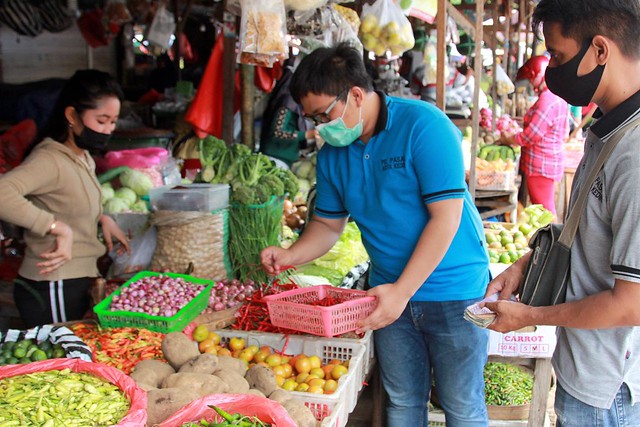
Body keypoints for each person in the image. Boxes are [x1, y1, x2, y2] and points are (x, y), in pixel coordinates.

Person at [261, 43, 491, 427]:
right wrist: (290, 255)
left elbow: (445, 218)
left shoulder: (424, 126)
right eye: (313, 118)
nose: (320, 127)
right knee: (401, 402)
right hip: (385, 295)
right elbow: (327, 225)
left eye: (323, 114)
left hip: (454, 290)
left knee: (462, 405)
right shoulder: (334, 152)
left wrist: (403, 292)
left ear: (354, 94)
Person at [484, 1, 640, 426]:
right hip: (583, 368)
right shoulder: (606, 128)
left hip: (608, 389)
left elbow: (632, 303)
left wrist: (531, 318)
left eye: (559, 55)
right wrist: (526, 263)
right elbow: (585, 230)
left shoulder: (634, 154)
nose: (552, 68)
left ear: (600, 51)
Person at [0, 69, 130, 328]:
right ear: (72, 116)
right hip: (54, 285)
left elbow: (65, 199)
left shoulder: (82, 156)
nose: (108, 130)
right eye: (101, 120)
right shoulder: (49, 159)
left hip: (78, 279)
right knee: (64, 363)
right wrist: (55, 227)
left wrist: (101, 218)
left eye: (113, 122)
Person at [499, 55, 569, 216]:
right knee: (542, 208)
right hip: (546, 162)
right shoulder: (555, 96)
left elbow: (531, 136)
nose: (530, 83)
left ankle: (552, 241)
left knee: (544, 210)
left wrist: (509, 138)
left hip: (541, 165)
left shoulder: (548, 100)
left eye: (531, 79)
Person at [259, 60, 319, 167]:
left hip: (283, 159)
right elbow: (278, 132)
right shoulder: (288, 102)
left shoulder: (295, 102)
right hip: (274, 159)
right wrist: (307, 134)